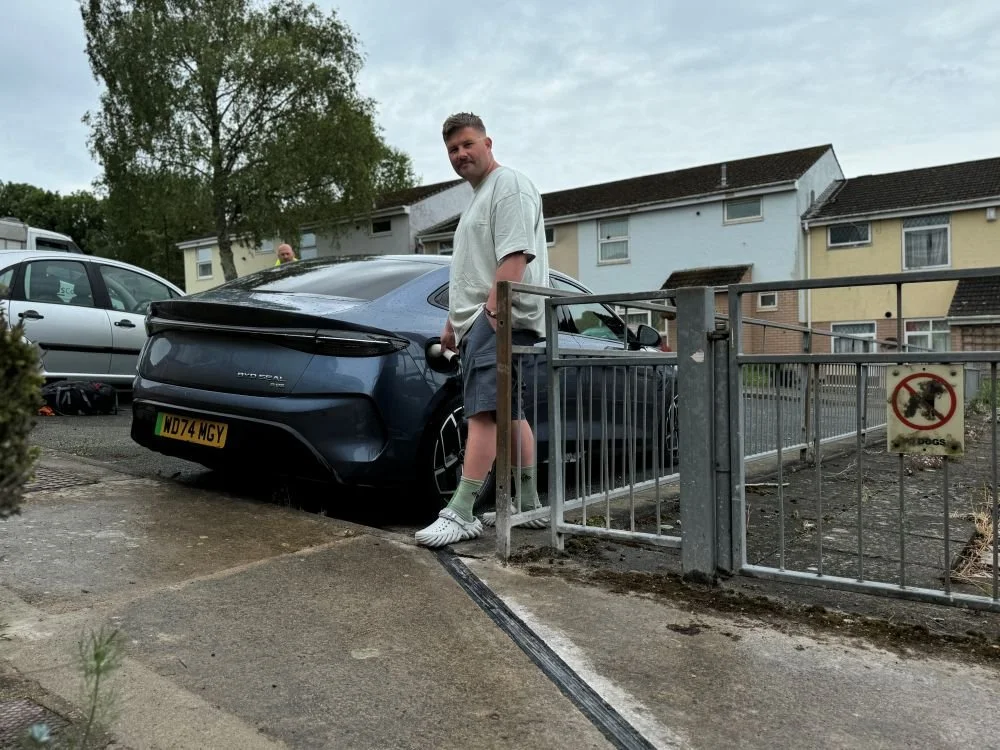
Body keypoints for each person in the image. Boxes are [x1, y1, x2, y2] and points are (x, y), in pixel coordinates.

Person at [415, 113, 550, 548]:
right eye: (452, 149)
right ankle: (527, 503)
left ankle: (461, 511)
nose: (460, 154)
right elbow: (472, 271)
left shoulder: (508, 185)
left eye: (467, 144)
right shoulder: (478, 197)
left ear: (488, 143)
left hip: (499, 319)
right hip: (485, 319)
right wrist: (453, 323)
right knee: (509, 413)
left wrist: (491, 315)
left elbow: (515, 257)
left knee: (483, 413)